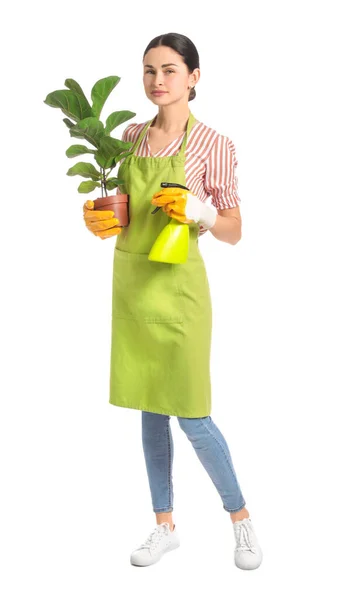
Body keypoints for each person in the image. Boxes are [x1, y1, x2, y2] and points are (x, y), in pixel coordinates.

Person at [83, 32, 263, 570]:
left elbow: (233, 230)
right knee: (149, 407)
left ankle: (242, 519)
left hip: (181, 291)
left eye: (169, 70)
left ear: (194, 77)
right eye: (148, 71)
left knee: (192, 414)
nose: (157, 81)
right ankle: (164, 526)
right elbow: (125, 212)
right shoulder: (129, 137)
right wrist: (100, 217)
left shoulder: (215, 144)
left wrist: (202, 213)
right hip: (134, 284)